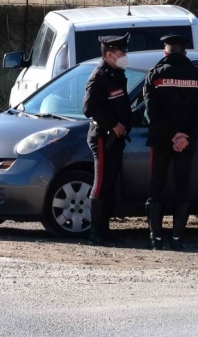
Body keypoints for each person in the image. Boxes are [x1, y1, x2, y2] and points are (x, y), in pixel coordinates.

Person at [142, 34, 198, 251]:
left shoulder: (154, 76)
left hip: (161, 140)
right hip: (187, 143)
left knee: (156, 189)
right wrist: (185, 135)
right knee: (183, 188)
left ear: (165, 52)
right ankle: (177, 239)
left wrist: (172, 134)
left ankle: (156, 239)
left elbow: (151, 112)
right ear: (185, 52)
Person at [81, 33, 133, 246]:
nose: (125, 55)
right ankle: (96, 232)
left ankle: (105, 230)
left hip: (115, 138)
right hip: (103, 136)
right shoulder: (100, 76)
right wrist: (113, 123)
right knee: (101, 183)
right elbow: (88, 108)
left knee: (110, 184)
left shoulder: (116, 73)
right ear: (110, 54)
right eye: (122, 52)